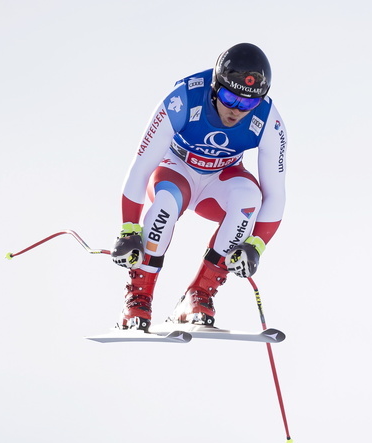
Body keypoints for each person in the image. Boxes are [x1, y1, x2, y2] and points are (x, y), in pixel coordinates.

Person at [111, 43, 288, 331]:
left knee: (249, 199)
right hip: (175, 171)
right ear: (216, 87)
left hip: (220, 180)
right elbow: (141, 167)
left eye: (248, 103)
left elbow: (276, 195)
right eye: (230, 97)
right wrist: (128, 229)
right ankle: (138, 299)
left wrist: (256, 246)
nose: (236, 110)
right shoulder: (184, 97)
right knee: (165, 205)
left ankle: (198, 296)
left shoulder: (268, 120)